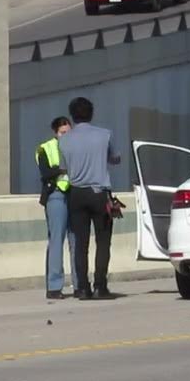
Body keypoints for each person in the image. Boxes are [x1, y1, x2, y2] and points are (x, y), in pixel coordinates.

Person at [57, 96, 121, 300]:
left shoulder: (64, 140)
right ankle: (100, 286)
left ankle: (83, 288)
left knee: (80, 244)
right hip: (99, 193)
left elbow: (63, 168)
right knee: (103, 241)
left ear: (72, 116)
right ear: (91, 114)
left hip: (76, 193)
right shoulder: (105, 135)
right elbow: (115, 158)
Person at [37, 116, 78, 300]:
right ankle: (54, 286)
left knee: (76, 240)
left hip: (74, 194)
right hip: (55, 194)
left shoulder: (76, 147)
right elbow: (46, 172)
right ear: (56, 133)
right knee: (56, 240)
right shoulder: (45, 148)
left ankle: (80, 284)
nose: (66, 135)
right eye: (63, 133)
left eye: (69, 132)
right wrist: (63, 170)